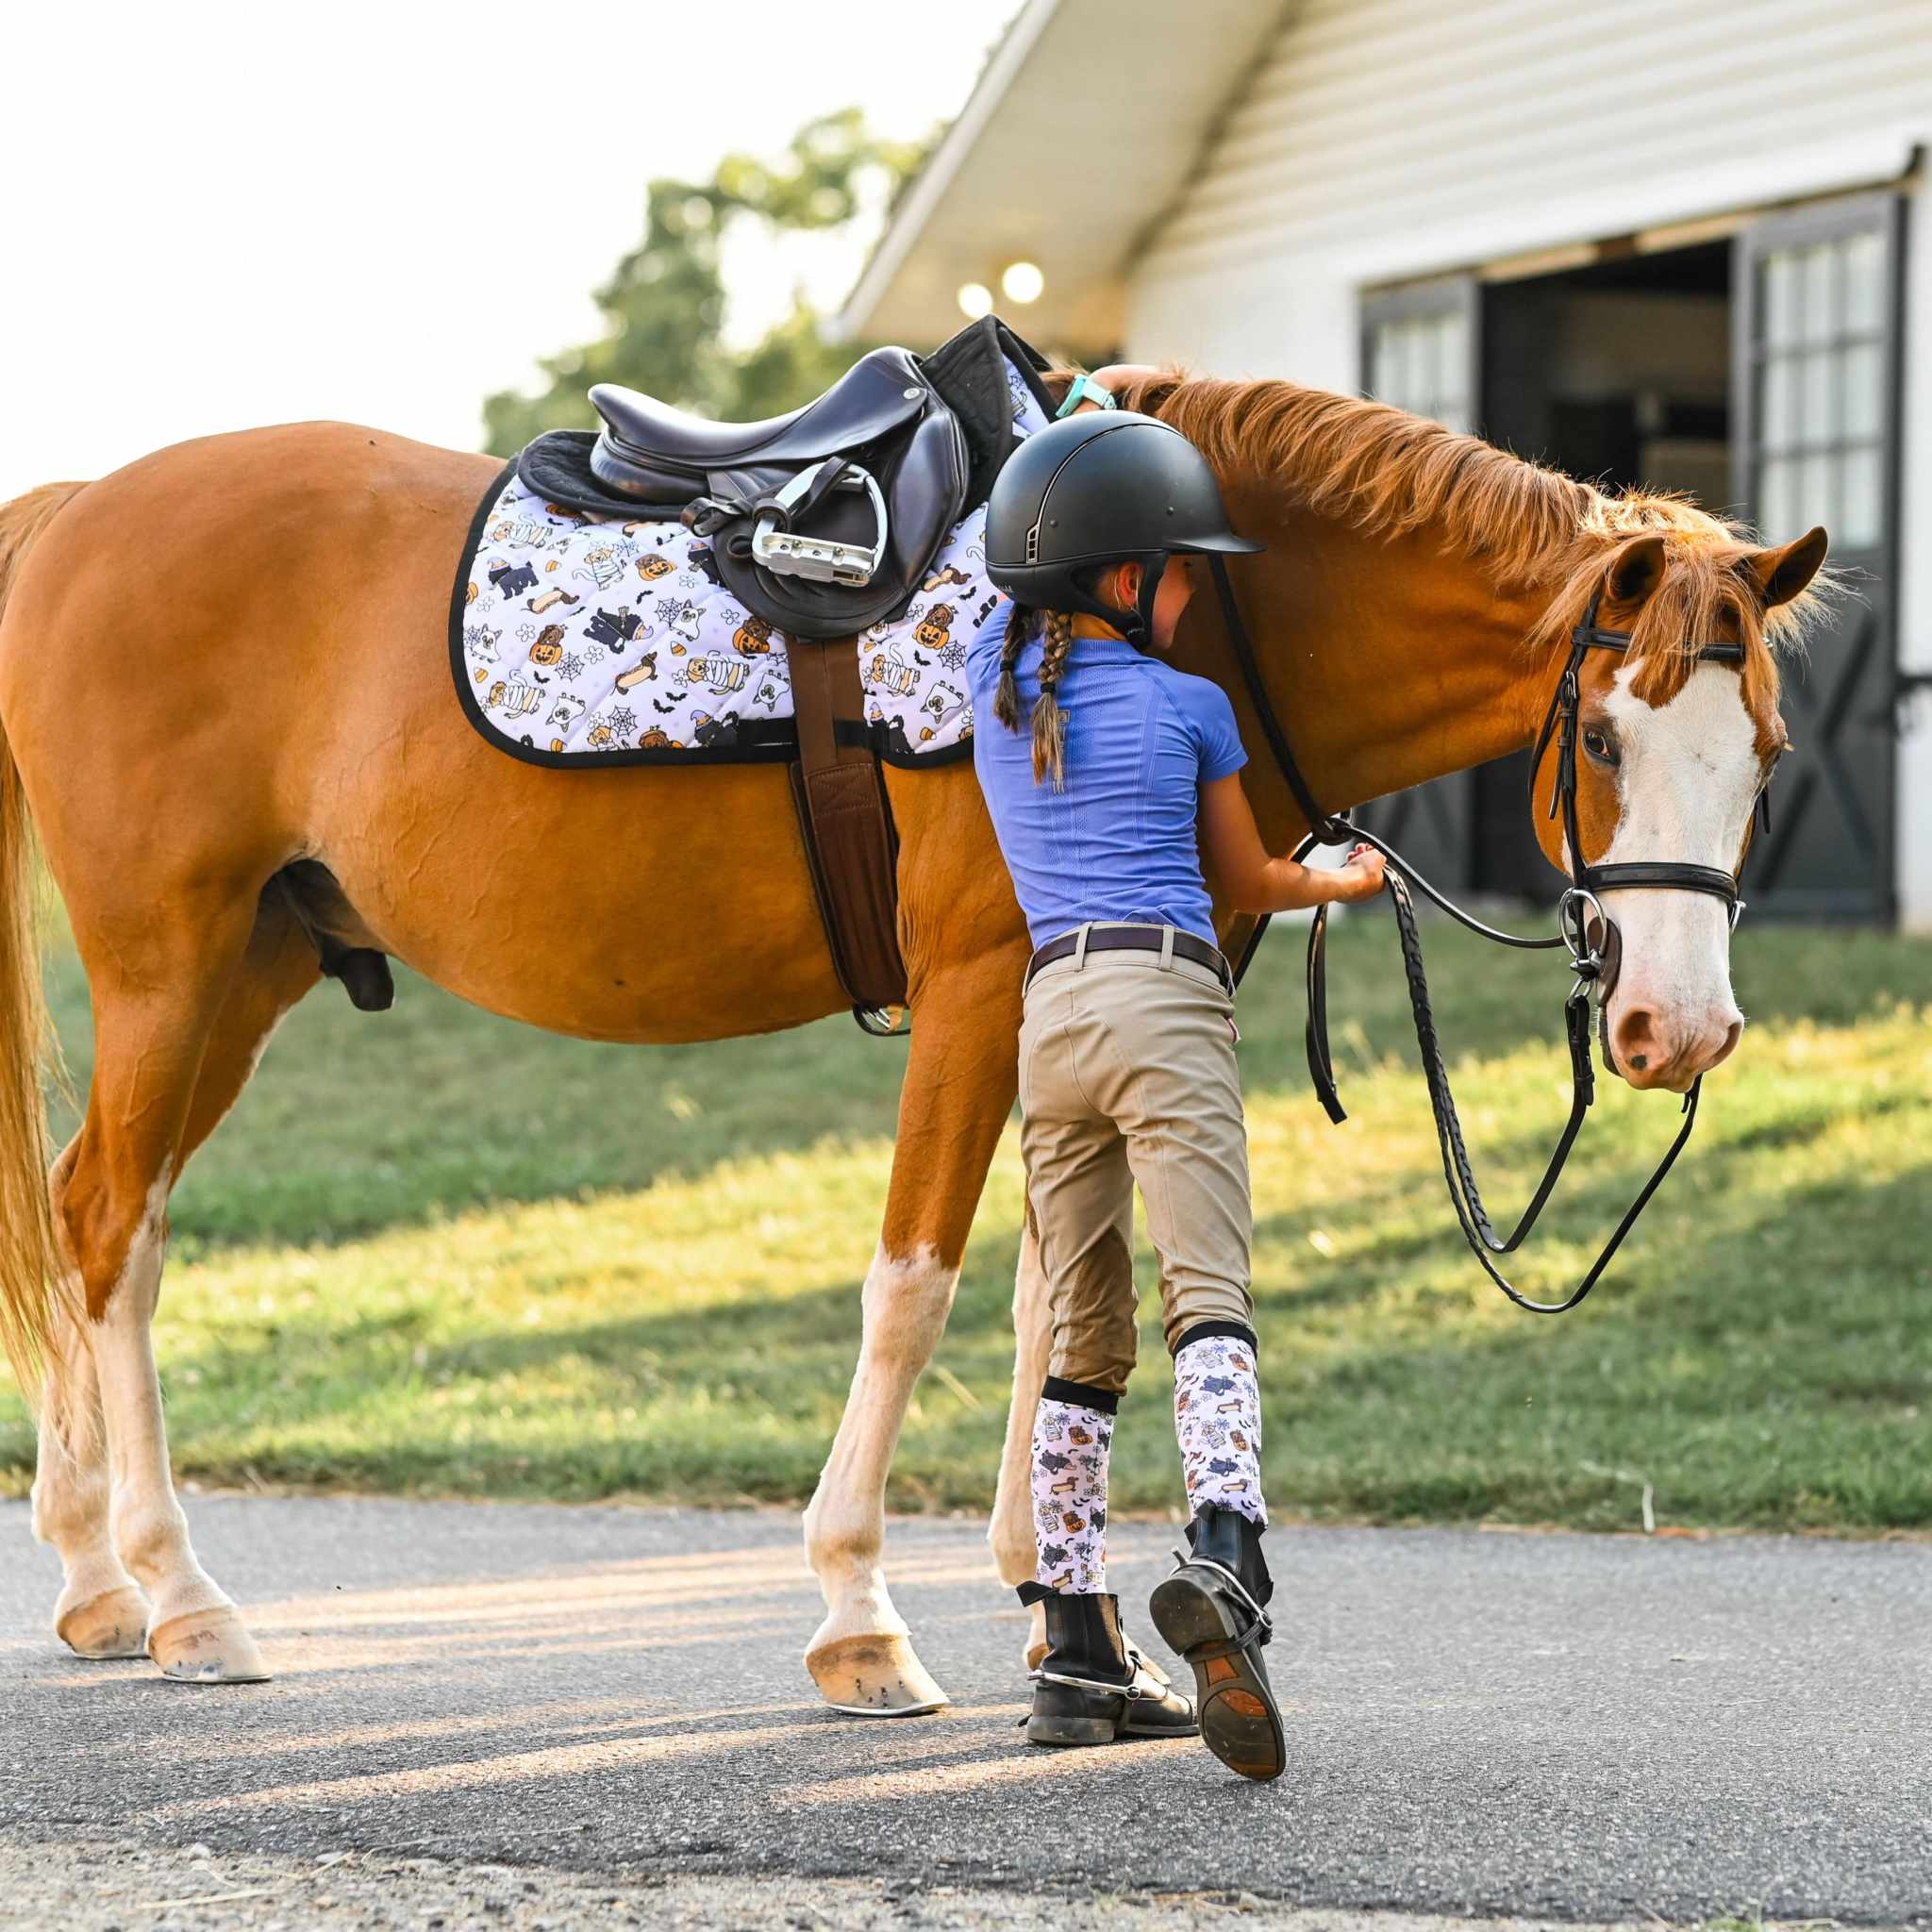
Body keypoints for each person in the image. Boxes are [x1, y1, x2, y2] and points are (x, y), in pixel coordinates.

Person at [967, 395, 1385, 1783]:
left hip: (1051, 1022)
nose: (1196, 591)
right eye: (1183, 568)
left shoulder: (993, 686)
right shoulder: (1191, 704)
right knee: (1209, 1296)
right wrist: (1342, 876)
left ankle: (1076, 1651)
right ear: (1129, 578)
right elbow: (1243, 880)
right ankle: (1226, 1547)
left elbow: (999, 576)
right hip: (1163, 999)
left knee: (1083, 1344)